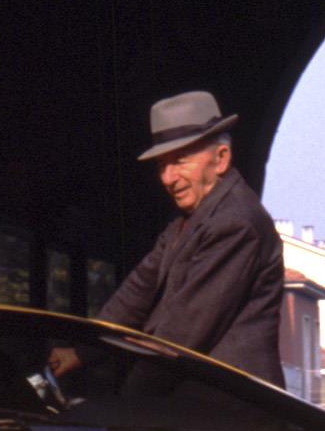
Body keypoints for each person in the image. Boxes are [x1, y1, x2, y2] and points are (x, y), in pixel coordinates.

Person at [93, 91, 285, 383]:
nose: (168, 178)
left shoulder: (235, 224)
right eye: (161, 165)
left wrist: (126, 398)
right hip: (196, 400)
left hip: (229, 410)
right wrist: (81, 349)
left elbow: (181, 335)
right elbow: (138, 290)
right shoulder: (187, 222)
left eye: (180, 161)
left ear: (221, 159)